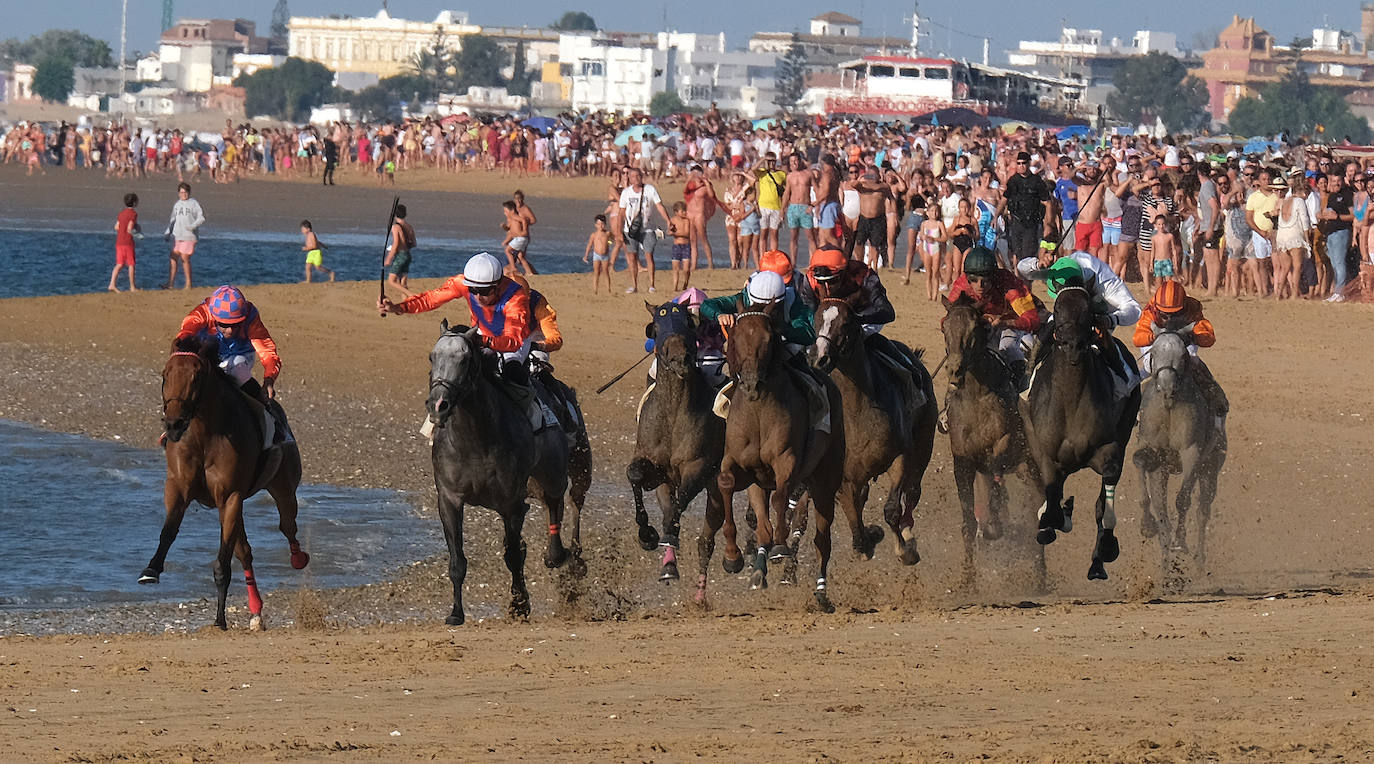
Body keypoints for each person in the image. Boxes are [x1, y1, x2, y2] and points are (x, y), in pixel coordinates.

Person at [377, 252, 533, 386]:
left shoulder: (516, 297)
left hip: (514, 344)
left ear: (497, 285)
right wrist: (398, 307)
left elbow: (513, 341)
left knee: (513, 373)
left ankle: (540, 412)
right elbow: (431, 299)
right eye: (473, 290)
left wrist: (484, 341)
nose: (477, 296)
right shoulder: (462, 283)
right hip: (480, 336)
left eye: (484, 291)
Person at [172, 285, 292, 446]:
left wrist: (269, 380)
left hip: (240, 355)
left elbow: (267, 351)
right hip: (207, 354)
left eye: (235, 325)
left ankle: (271, 420)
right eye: (223, 325)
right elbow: (186, 332)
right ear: (213, 317)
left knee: (237, 369)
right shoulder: (201, 313)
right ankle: (172, 427)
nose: (229, 331)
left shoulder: (250, 316)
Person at [1018, 253, 1142, 397]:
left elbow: (1134, 309)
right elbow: (1023, 269)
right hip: (1067, 311)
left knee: (1100, 343)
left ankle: (1125, 380)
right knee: (1043, 336)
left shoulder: (1106, 283)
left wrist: (1111, 320)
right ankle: (1029, 376)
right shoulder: (1059, 270)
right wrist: (1037, 264)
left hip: (1101, 314)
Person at [1132, 280, 1228, 424]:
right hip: (1157, 343)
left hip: (1183, 340)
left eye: (1175, 314)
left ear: (1183, 307)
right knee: (1148, 367)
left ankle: (1216, 402)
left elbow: (1208, 337)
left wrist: (1194, 335)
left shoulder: (1192, 307)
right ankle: (1131, 404)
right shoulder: (1151, 310)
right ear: (1158, 309)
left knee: (1194, 360)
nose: (1169, 319)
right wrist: (1154, 336)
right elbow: (1137, 338)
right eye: (1165, 315)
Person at [946, 246, 1042, 389]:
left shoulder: (1009, 284)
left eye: (985, 279)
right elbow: (948, 320)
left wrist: (1005, 322)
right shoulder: (961, 286)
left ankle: (1022, 391)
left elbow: (1032, 319)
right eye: (974, 280)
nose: (980, 285)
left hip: (1013, 325)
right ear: (967, 278)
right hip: (982, 328)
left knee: (1008, 348)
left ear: (993, 276)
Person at [620, 168, 670, 294]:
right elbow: (621, 212)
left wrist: (668, 221)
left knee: (649, 255)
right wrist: (618, 231)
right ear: (629, 178)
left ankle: (652, 284)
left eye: (638, 175)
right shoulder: (626, 193)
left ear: (641, 176)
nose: (635, 178)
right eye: (633, 176)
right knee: (632, 257)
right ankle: (634, 285)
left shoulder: (650, 190)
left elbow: (659, 206)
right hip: (630, 230)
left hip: (648, 229)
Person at [1003, 151, 1052, 263]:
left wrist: (1048, 223)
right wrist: (996, 216)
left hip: (1031, 223)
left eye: (1023, 163)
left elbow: (1048, 202)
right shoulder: (1013, 180)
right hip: (1016, 222)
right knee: (1016, 253)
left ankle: (1026, 279)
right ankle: (1019, 277)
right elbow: (1004, 198)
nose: (1021, 166)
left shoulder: (1037, 181)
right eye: (1018, 163)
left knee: (1027, 254)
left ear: (1029, 163)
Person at [162, 182, 204, 290]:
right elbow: (173, 220)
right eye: (181, 193)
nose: (183, 195)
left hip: (190, 236)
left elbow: (201, 218)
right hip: (178, 236)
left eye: (185, 192)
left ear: (189, 193)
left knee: (185, 257)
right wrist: (168, 232)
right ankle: (170, 283)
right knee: (173, 257)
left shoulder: (193, 203)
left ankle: (188, 284)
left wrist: (192, 226)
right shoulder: (177, 205)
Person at [753, 152, 787, 252]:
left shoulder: (781, 174)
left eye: (773, 161)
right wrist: (763, 159)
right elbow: (753, 169)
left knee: (774, 233)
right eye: (769, 161)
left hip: (776, 207)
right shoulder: (762, 173)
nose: (771, 163)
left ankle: (773, 254)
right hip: (764, 206)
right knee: (763, 233)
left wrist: (784, 208)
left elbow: (787, 189)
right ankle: (763, 256)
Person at [384, 204, 418, 298]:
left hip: (400, 255)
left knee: (391, 281)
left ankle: (411, 295)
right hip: (407, 255)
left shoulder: (396, 227)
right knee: (403, 283)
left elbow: (396, 243)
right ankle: (406, 303)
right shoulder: (409, 227)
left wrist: (389, 258)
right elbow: (414, 244)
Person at [110, 192, 140, 292]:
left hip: (119, 242)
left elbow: (116, 227)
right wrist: (138, 235)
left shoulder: (121, 214)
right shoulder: (133, 214)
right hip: (127, 242)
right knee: (131, 264)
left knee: (119, 264)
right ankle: (132, 286)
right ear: (135, 203)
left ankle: (112, 284)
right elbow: (129, 228)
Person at [501, 199, 538, 275]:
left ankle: (513, 267)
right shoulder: (511, 219)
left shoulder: (514, 216)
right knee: (520, 257)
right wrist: (504, 226)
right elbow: (509, 229)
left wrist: (524, 230)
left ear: (512, 210)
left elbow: (523, 220)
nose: (505, 213)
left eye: (506, 211)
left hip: (520, 238)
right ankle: (529, 272)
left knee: (507, 250)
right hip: (521, 239)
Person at [582, 213, 613, 294]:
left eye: (602, 224)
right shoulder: (594, 235)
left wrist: (609, 242)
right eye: (599, 224)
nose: (601, 226)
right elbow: (589, 245)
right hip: (596, 255)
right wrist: (586, 255)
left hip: (605, 255)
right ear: (596, 225)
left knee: (606, 272)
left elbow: (612, 239)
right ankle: (595, 290)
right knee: (596, 272)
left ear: (605, 224)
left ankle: (608, 289)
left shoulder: (607, 233)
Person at [668, 201, 693, 291]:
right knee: (676, 268)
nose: (684, 213)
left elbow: (686, 233)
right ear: (676, 212)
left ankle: (686, 282)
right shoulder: (672, 220)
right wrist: (671, 231)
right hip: (676, 246)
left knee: (686, 269)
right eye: (682, 211)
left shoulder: (687, 221)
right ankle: (675, 287)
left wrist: (675, 232)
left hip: (686, 245)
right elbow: (669, 232)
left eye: (685, 211)